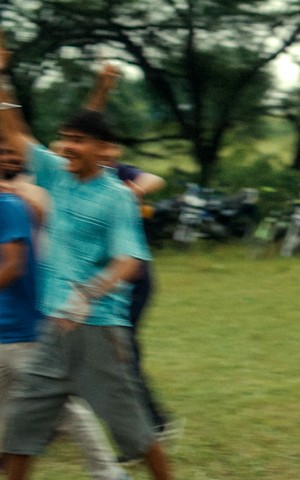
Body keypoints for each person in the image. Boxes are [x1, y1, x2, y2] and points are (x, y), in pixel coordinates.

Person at [0, 52, 171, 479]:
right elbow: (14, 131)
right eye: (64, 138)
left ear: (105, 150)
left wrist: (88, 294)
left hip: (98, 329)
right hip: (53, 328)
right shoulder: (56, 174)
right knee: (22, 429)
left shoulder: (116, 196)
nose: (67, 146)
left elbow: (130, 261)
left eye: (77, 139)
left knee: (134, 432)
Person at [1, 138, 130, 480]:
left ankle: (108, 472)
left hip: (21, 329)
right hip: (7, 332)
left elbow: (13, 267)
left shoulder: (11, 204)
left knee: (64, 407)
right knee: (13, 408)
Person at [82, 63, 179, 447]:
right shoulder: (72, 176)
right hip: (94, 281)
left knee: (121, 355)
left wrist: (132, 192)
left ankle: (152, 428)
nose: (106, 151)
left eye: (109, 147)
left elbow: (154, 179)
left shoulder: (113, 176)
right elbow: (82, 129)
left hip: (131, 280)